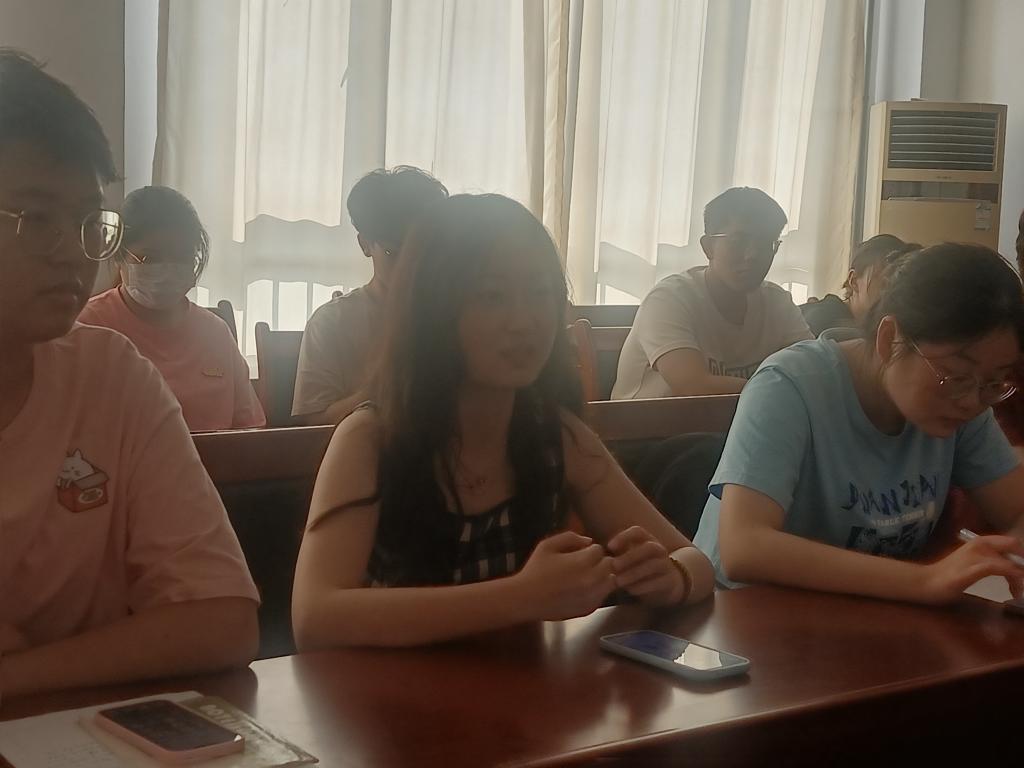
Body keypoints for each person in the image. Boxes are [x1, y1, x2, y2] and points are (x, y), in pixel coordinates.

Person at [291, 194, 715, 649]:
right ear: (432, 311)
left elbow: (694, 560)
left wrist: (673, 578)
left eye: (540, 294)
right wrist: (521, 596)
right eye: (492, 296)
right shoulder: (370, 438)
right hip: (385, 689)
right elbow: (315, 617)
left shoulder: (555, 434)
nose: (524, 321)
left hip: (518, 686)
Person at [0, 49, 258, 700]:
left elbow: (222, 622)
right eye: (36, 219)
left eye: (88, 223)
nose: (73, 252)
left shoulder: (110, 374)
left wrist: (16, 674)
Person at [693, 243, 1024, 604]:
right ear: (889, 338)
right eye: (956, 375)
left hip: (866, 614)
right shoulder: (790, 385)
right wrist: (924, 581)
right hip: (741, 614)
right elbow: (744, 547)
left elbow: (1017, 511)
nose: (973, 401)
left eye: (995, 382)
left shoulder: (964, 406)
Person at [78, 186, 265, 431]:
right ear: (118, 255)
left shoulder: (216, 333)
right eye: (150, 258)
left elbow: (251, 430)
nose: (167, 269)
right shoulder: (87, 327)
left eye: (181, 257)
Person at [612, 187, 812, 399]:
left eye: (765, 243)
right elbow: (693, 387)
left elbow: (815, 370)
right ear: (708, 247)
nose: (752, 255)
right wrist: (785, 389)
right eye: (738, 241)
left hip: (737, 418)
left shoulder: (778, 302)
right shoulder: (668, 299)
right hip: (650, 420)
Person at [291, 167, 449, 424]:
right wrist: (385, 387)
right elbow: (315, 424)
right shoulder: (333, 322)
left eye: (425, 251)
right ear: (365, 244)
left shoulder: (456, 314)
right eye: (393, 253)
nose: (411, 265)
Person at [801, 234, 919, 337]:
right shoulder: (822, 321)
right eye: (885, 284)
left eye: (898, 286)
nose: (893, 294)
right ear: (854, 281)